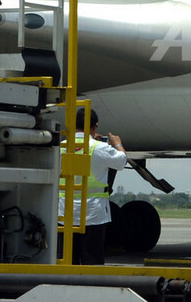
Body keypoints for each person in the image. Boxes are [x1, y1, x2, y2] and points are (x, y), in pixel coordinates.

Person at [58, 108, 126, 265]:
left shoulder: (62, 146)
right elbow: (121, 161)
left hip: (65, 212)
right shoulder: (99, 148)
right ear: (95, 126)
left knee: (67, 261)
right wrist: (117, 144)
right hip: (93, 213)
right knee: (92, 261)